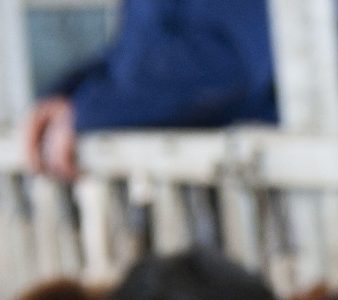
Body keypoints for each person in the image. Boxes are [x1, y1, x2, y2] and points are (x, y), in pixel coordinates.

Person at [22, 0, 280, 180]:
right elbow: (129, 55)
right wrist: (64, 94)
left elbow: (235, 65)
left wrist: (89, 110)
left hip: (252, 190)